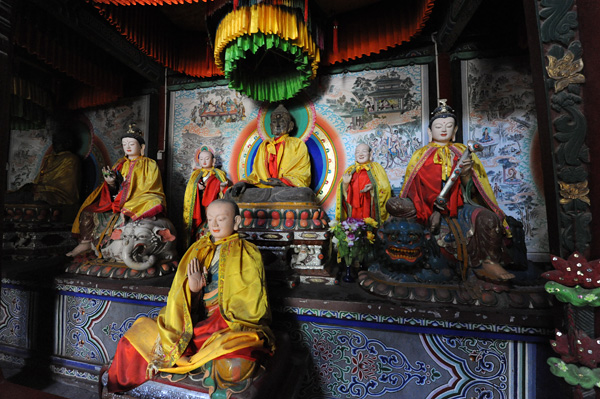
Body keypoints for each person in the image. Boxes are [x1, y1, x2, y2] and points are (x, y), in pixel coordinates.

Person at [106, 199, 274, 396]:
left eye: (221, 219)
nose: (215, 225)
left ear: (236, 221)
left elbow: (252, 304)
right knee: (133, 338)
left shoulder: (247, 253)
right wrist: (193, 291)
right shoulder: (198, 248)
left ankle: (203, 360)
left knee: (234, 366)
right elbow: (179, 299)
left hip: (226, 326)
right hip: (191, 323)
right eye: (210, 219)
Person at [399, 100, 514, 282]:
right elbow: (413, 189)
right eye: (438, 126)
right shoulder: (420, 155)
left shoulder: (463, 151)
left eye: (449, 126)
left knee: (488, 218)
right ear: (430, 131)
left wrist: (467, 176)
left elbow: (477, 191)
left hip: (460, 205)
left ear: (455, 130)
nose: (443, 129)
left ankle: (489, 263)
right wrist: (433, 211)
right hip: (428, 208)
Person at [67, 124, 166, 257]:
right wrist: (111, 183)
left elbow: (152, 188)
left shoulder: (150, 164)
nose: (128, 147)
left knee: (153, 201)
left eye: (131, 143)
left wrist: (130, 200)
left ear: (141, 147)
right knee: (88, 211)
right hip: (116, 201)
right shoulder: (119, 164)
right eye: (125, 144)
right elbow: (112, 190)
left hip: (139, 200)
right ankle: (86, 243)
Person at [229, 104, 311, 196]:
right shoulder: (264, 145)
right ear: (271, 126)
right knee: (235, 193)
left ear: (290, 126)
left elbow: (302, 175)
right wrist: (244, 182)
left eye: (282, 121)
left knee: (303, 194)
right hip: (264, 188)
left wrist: (281, 182)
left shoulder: (297, 144)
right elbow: (256, 175)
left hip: (286, 189)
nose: (278, 125)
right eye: (274, 122)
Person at [5, 128, 81, 206]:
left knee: (33, 198)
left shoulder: (71, 159)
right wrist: (32, 186)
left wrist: (39, 188)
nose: (55, 145)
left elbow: (63, 187)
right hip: (43, 191)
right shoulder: (49, 158)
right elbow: (40, 180)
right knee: (12, 196)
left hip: (59, 195)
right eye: (54, 142)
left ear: (68, 143)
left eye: (58, 142)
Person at [183, 149, 230, 247]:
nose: (204, 161)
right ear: (198, 161)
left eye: (207, 159)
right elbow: (190, 190)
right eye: (201, 159)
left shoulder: (218, 174)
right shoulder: (196, 175)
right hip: (199, 203)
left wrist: (221, 187)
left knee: (211, 219)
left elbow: (224, 190)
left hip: (213, 202)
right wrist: (197, 187)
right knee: (200, 224)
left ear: (213, 161)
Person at [335, 143, 392, 222]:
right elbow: (343, 194)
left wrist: (373, 187)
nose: (360, 154)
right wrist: (345, 183)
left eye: (364, 151)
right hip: (354, 209)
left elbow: (385, 188)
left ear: (370, 154)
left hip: (369, 207)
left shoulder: (376, 168)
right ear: (355, 155)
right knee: (355, 227)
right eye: (357, 152)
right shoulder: (350, 170)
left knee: (369, 227)